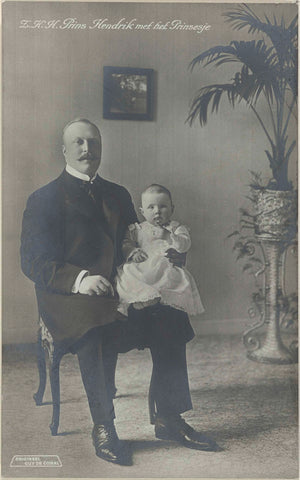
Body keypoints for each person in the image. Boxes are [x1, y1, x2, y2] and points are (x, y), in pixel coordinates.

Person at [20, 118, 219, 467]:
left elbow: (139, 240)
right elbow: (33, 261)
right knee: (95, 324)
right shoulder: (44, 198)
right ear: (64, 150)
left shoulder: (118, 193)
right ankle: (104, 425)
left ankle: (169, 418)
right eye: (79, 143)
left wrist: (168, 254)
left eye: (93, 142)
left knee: (169, 312)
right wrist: (81, 279)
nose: (87, 149)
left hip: (120, 285)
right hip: (68, 293)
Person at [116, 184, 205, 316]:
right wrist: (134, 252)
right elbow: (126, 243)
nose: (157, 211)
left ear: (172, 209)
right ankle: (138, 298)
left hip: (164, 263)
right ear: (142, 212)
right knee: (128, 272)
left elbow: (184, 245)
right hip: (143, 262)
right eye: (151, 207)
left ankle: (158, 298)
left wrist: (172, 237)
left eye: (163, 206)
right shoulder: (136, 229)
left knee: (171, 277)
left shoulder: (176, 228)